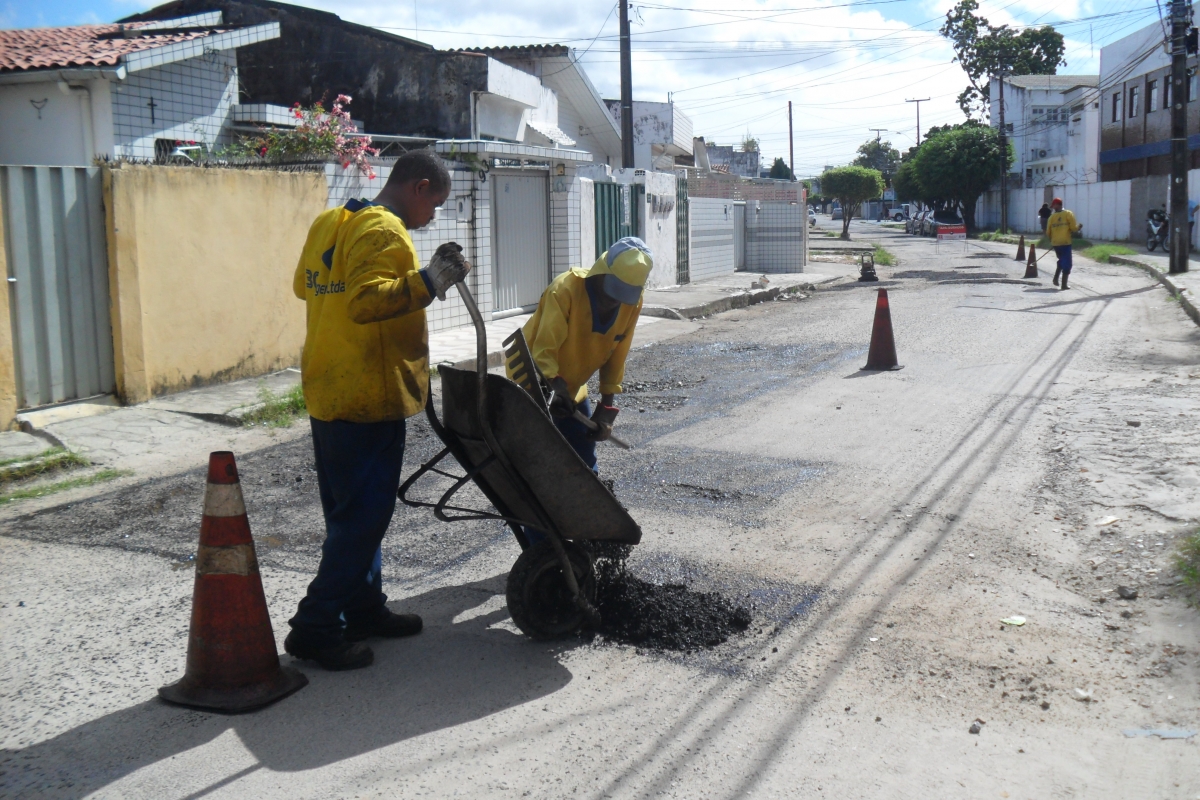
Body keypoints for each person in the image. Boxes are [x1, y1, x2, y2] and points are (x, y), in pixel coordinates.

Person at [285, 149, 470, 671]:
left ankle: (364, 608)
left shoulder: (330, 221)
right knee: (364, 519)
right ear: (419, 186)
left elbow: (305, 286)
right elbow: (364, 303)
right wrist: (429, 281)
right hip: (368, 393)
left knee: (350, 516)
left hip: (328, 387)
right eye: (435, 203)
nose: (432, 215)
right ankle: (315, 627)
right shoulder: (386, 231)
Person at [511, 237, 653, 545]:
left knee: (584, 465)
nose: (613, 303)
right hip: (532, 381)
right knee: (541, 469)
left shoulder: (632, 302)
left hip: (571, 387)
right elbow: (543, 348)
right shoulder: (567, 289)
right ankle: (543, 550)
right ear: (601, 272)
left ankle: (583, 538)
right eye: (610, 293)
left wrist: (608, 405)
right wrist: (553, 386)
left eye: (622, 298)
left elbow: (618, 353)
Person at [1045, 197, 1082, 290]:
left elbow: (1048, 232)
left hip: (1056, 244)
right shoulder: (1068, 214)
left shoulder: (1051, 217)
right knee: (1068, 264)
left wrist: (1052, 241)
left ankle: (1056, 278)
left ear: (1058, 205)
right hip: (1065, 243)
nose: (1053, 208)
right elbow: (1073, 228)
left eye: (1054, 206)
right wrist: (1078, 228)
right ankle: (1064, 285)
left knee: (1062, 260)